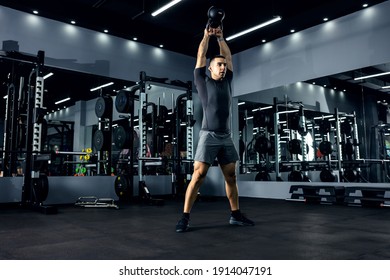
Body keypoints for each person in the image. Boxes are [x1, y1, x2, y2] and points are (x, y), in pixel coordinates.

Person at [175, 26, 255, 232]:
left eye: (224, 65)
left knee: (231, 176)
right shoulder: (202, 81)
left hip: (226, 136)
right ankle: (185, 217)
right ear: (210, 68)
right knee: (198, 175)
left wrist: (220, 38)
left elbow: (228, 55)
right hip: (208, 135)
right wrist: (205, 36)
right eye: (218, 64)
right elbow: (201, 54)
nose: (223, 67)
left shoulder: (228, 81)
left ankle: (235, 215)